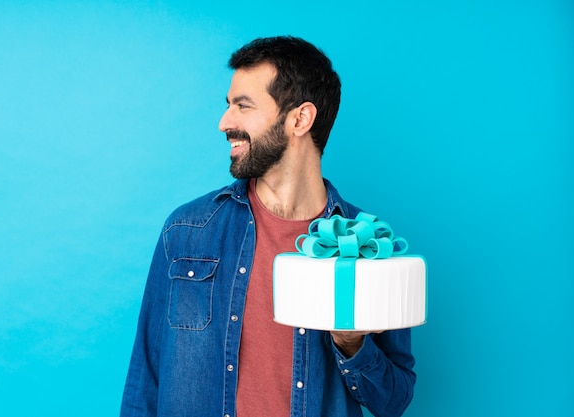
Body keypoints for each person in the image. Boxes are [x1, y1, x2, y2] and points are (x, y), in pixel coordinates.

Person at [120, 36, 416, 417]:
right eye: (228, 106)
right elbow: (145, 381)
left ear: (299, 119)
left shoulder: (369, 245)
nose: (224, 123)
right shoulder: (187, 230)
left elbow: (394, 400)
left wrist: (352, 345)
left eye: (243, 106)